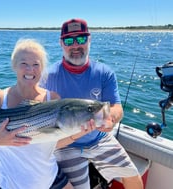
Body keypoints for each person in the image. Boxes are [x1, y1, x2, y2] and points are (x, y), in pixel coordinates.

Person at [40, 18, 144, 189]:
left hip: (99, 138)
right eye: (69, 40)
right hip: (66, 144)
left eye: (81, 39)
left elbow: (116, 108)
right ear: (61, 43)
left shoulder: (104, 73)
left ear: (89, 40)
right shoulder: (47, 77)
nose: (75, 45)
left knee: (133, 178)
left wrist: (111, 119)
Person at [0, 38, 89, 189]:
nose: (30, 70)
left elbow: (54, 141)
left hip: (49, 174)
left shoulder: (52, 99)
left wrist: (80, 132)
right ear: (14, 66)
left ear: (42, 68)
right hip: (13, 181)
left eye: (36, 64)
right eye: (24, 64)